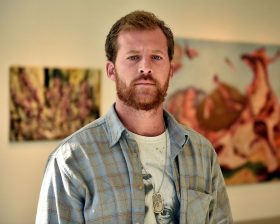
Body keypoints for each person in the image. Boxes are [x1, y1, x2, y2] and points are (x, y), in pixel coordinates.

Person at [36, 10, 233, 224]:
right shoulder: (71, 160)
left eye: (156, 57)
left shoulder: (202, 153)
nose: (145, 67)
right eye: (133, 57)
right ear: (111, 71)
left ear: (170, 70)